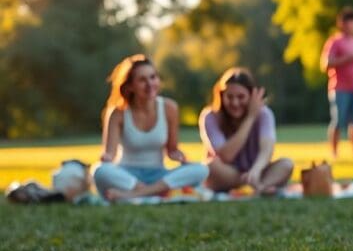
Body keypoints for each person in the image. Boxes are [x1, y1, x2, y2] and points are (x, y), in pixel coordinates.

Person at [93, 55, 208, 201]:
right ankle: (153, 192)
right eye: (142, 80)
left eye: (153, 77)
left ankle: (135, 195)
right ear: (129, 86)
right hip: (128, 176)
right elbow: (110, 153)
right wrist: (106, 157)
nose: (150, 84)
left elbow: (172, 150)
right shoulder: (118, 113)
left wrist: (181, 157)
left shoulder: (169, 108)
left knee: (201, 170)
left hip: (158, 175)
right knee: (100, 171)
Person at [198, 68, 294, 194]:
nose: (235, 103)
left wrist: (255, 170)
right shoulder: (210, 117)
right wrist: (250, 118)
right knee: (210, 166)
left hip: (256, 170)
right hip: (227, 172)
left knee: (286, 164)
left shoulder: (264, 114)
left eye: (241, 97)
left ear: (252, 96)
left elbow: (267, 150)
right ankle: (257, 186)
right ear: (221, 96)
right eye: (229, 97)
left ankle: (259, 186)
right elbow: (226, 156)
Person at [320, 7, 353, 157]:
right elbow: (325, 64)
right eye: (351, 21)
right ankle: (334, 152)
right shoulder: (334, 42)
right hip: (339, 89)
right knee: (338, 122)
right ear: (342, 23)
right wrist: (345, 59)